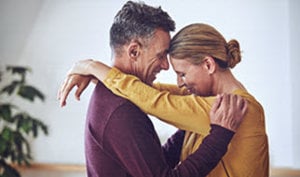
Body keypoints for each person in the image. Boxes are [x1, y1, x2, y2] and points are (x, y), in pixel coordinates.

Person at [58, 1, 248, 177]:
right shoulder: (121, 110)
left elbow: (152, 165)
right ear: (133, 51)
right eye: (161, 55)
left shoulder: (116, 96)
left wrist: (190, 124)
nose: (165, 66)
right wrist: (220, 135)